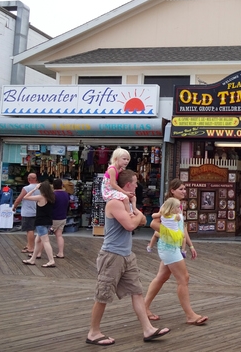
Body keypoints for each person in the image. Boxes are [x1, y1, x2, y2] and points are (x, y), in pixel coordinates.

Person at [86, 170, 170, 346]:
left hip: (126, 254)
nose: (137, 185)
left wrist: (134, 207)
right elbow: (132, 224)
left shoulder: (125, 202)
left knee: (137, 291)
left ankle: (148, 329)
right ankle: (93, 332)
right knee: (103, 295)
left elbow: (143, 222)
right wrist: (137, 212)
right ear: (127, 185)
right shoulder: (115, 203)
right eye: (135, 182)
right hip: (112, 256)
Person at [144, 178, 206, 325]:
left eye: (185, 189)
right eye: (181, 189)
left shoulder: (179, 206)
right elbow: (153, 223)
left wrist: (190, 245)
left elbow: (182, 227)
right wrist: (170, 233)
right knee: (184, 278)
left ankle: (143, 307)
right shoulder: (167, 205)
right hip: (169, 247)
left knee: (161, 277)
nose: (184, 191)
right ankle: (190, 315)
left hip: (172, 246)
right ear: (172, 190)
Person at [21, 181, 56, 268]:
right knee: (37, 241)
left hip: (41, 222)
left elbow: (25, 197)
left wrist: (35, 188)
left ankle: (51, 260)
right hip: (48, 221)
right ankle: (32, 259)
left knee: (46, 241)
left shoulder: (41, 197)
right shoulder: (51, 197)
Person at [102, 147, 135, 216]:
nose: (126, 161)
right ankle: (129, 213)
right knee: (125, 198)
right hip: (108, 191)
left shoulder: (120, 169)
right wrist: (125, 192)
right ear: (116, 159)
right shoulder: (112, 169)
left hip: (113, 190)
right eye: (124, 159)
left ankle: (134, 210)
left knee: (133, 197)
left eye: (128, 159)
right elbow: (113, 184)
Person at [12, 173, 39, 253]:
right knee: (31, 229)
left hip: (28, 212)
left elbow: (19, 198)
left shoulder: (26, 188)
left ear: (29, 179)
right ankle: (28, 245)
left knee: (29, 229)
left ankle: (30, 247)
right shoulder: (40, 188)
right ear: (36, 178)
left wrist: (14, 207)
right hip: (37, 211)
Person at [52, 178, 70, 259]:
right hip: (63, 217)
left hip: (54, 217)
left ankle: (37, 253)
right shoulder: (66, 194)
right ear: (61, 185)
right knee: (59, 235)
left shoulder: (53, 194)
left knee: (43, 236)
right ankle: (60, 253)